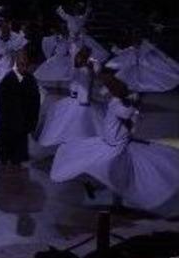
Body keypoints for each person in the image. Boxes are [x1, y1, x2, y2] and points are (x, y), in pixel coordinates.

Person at [50, 75, 179, 210]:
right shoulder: (118, 104)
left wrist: (134, 102)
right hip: (115, 145)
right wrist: (136, 103)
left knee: (116, 173)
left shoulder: (120, 102)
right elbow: (127, 113)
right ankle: (105, 193)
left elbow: (128, 115)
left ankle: (108, 195)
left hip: (117, 143)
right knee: (114, 172)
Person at [36, 47, 104, 149]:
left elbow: (84, 89)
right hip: (75, 99)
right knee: (57, 113)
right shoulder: (79, 69)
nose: (78, 58)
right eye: (78, 56)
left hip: (81, 102)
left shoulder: (85, 71)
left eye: (81, 56)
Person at [0, 50, 40, 166]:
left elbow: (35, 99)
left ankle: (17, 157)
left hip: (23, 119)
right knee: (7, 138)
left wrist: (31, 117)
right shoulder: (8, 79)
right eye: (21, 64)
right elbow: (1, 100)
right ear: (17, 64)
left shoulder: (30, 79)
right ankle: (5, 157)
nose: (24, 68)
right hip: (9, 119)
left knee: (20, 140)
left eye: (26, 64)